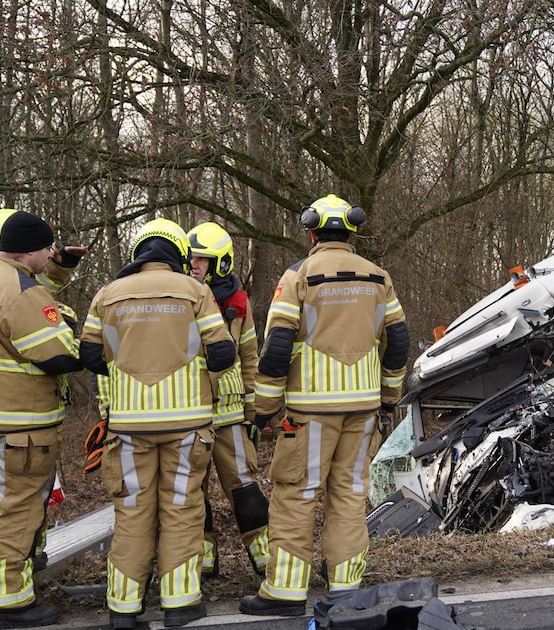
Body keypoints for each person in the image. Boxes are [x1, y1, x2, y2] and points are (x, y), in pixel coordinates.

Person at [239, 194, 409, 616]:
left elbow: (277, 347)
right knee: (349, 494)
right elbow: (398, 343)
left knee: (296, 495)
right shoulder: (378, 277)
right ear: (351, 232)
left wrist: (265, 409)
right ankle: (346, 588)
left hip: (310, 410)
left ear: (312, 232)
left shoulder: (298, 276)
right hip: (364, 408)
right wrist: (389, 399)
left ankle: (285, 591)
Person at [80, 218, 236, 629]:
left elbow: (90, 356)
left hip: (129, 426)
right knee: (182, 508)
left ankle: (123, 607)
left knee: (132, 511)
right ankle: (180, 603)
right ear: (179, 254)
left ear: (138, 252)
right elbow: (223, 353)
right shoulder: (195, 291)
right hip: (187, 423)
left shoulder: (107, 294)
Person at [0, 210, 82, 629]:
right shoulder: (21, 290)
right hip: (17, 419)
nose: (49, 256)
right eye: (46, 250)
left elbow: (17, 308)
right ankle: (6, 602)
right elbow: (57, 355)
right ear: (28, 251)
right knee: (17, 507)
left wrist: (57, 275)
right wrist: (79, 337)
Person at [186, 221, 270, 578]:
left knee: (244, 486)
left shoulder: (238, 302)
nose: (193, 264)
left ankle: (266, 558)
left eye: (202, 259)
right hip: (190, 413)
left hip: (230, 414)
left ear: (220, 263)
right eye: (191, 257)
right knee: (193, 490)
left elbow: (250, 357)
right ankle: (203, 559)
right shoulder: (179, 297)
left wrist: (253, 413)